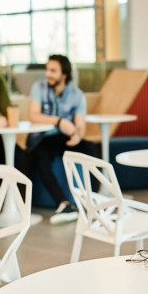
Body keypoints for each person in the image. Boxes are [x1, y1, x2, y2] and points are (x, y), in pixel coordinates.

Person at [28, 54, 99, 225]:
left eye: (53, 71)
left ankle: (93, 201)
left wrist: (77, 136)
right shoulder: (39, 87)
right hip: (42, 138)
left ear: (64, 74)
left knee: (91, 149)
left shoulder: (77, 95)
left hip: (64, 140)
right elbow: (33, 115)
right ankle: (64, 204)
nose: (48, 74)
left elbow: (81, 126)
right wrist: (59, 121)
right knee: (40, 155)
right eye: (47, 70)